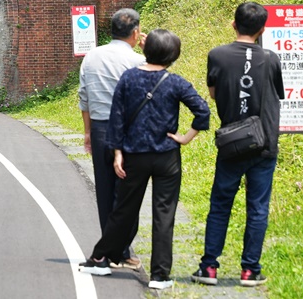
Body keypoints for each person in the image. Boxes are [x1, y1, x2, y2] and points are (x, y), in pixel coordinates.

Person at [79, 29, 210, 290]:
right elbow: (202, 110)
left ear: (145, 49)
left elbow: (117, 118)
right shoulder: (175, 82)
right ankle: (160, 276)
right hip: (167, 157)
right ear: (174, 55)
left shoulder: (129, 78)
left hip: (134, 155)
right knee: (164, 215)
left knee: (123, 210)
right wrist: (185, 137)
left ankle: (101, 258)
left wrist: (117, 152)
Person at [192, 2, 285, 288]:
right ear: (263, 29)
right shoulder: (271, 58)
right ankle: (249, 270)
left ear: (233, 24)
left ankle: (209, 268)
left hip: (232, 142)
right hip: (264, 143)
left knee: (220, 204)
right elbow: (279, 94)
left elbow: (213, 92)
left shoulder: (217, 55)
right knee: (257, 207)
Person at [78, 8, 146, 270]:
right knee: (128, 192)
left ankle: (112, 251)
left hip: (99, 129)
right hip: (128, 131)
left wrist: (87, 132)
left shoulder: (92, 56)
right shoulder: (138, 61)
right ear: (136, 32)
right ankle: (120, 251)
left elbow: (84, 97)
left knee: (105, 192)